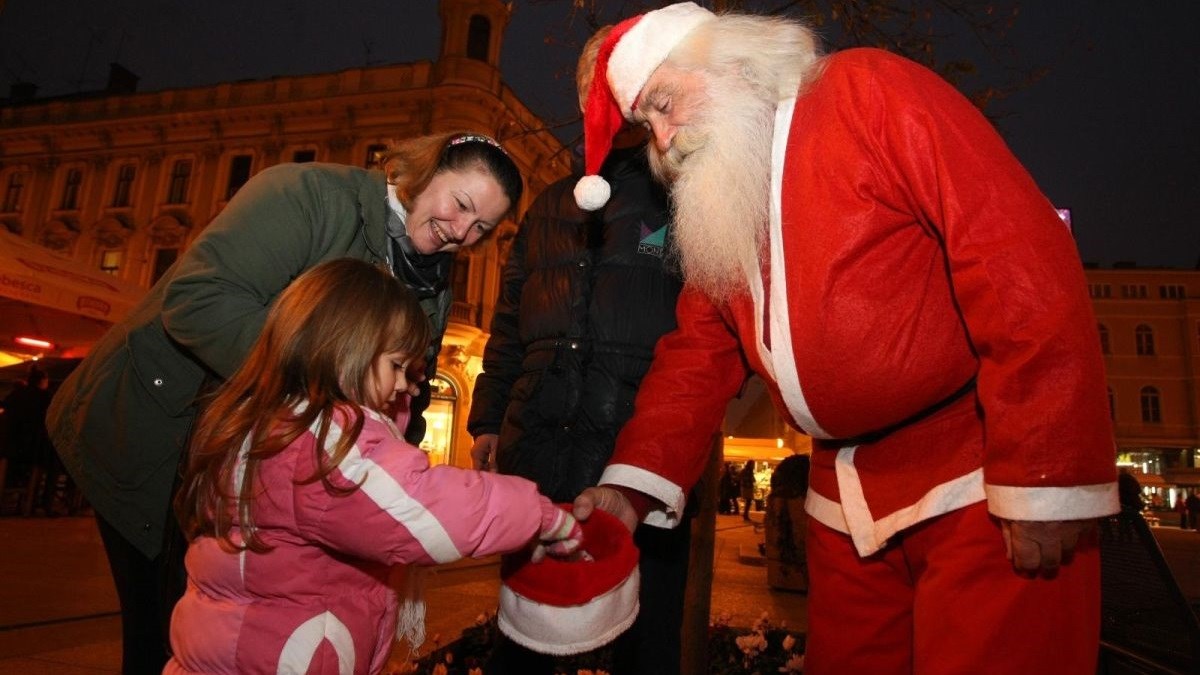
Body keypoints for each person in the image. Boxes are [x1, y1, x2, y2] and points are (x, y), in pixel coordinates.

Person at [567, 4, 1119, 674]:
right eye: (645, 125)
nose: (662, 138)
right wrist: (631, 490)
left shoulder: (866, 90)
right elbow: (696, 355)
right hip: (843, 501)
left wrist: (1045, 468)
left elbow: (1013, 249)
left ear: (733, 58)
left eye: (663, 103)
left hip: (979, 476)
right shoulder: (724, 197)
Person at [45, 131, 523, 675]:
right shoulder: (308, 196)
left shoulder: (431, 284)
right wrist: (333, 379)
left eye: (481, 228)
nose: (461, 232)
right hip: (157, 432)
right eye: (460, 205)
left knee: (226, 634)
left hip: (245, 467)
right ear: (425, 170)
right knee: (173, 634)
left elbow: (403, 403)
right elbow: (198, 302)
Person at [163, 258, 581, 675]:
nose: (403, 385)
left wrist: (392, 402)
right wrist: (542, 515)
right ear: (346, 347)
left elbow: (375, 468)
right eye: (396, 366)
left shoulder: (277, 421)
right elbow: (420, 506)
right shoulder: (326, 442)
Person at [465, 25, 690, 675]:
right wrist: (486, 419)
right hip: (538, 438)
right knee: (527, 626)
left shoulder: (681, 196)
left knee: (648, 636)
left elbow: (709, 328)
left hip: (637, 448)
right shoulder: (549, 205)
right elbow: (508, 324)